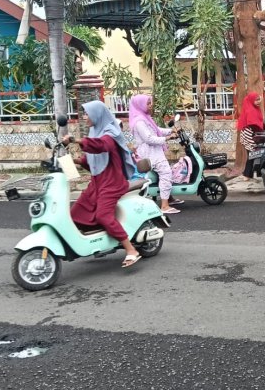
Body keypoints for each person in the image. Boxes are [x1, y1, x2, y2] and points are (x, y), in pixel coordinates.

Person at [61, 100, 141, 269]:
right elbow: (93, 161)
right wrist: (73, 161)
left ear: (97, 114)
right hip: (97, 182)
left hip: (112, 183)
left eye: (87, 113)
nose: (84, 117)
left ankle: (131, 249)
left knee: (103, 216)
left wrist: (75, 140)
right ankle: (94, 243)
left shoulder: (110, 133)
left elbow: (101, 146)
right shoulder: (94, 131)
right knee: (75, 213)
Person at [128, 94, 180, 215]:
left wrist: (171, 131)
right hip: (149, 153)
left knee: (166, 172)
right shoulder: (139, 122)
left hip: (154, 151)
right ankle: (165, 206)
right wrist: (168, 138)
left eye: (150, 102)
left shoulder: (145, 117)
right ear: (140, 105)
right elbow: (149, 138)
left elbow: (157, 130)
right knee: (166, 172)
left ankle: (169, 198)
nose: (151, 105)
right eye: (148, 103)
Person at [237, 92, 265, 182]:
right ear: (251, 100)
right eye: (256, 100)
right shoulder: (250, 110)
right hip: (249, 134)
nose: (258, 102)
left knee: (255, 154)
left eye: (258, 100)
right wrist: (262, 131)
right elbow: (253, 125)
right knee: (253, 154)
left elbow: (259, 122)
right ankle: (247, 175)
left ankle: (251, 174)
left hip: (253, 133)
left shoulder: (255, 108)